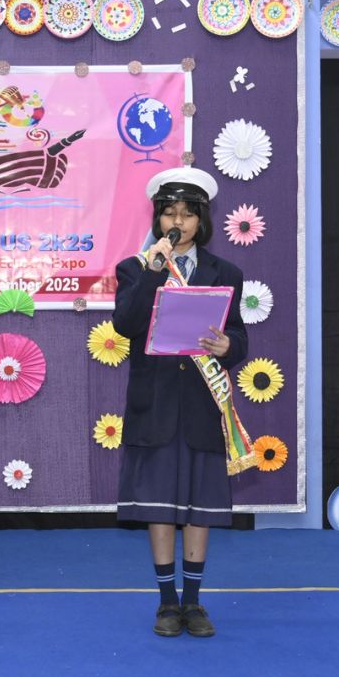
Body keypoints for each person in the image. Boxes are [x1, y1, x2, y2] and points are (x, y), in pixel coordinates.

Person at [111, 167, 247, 638]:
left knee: (199, 506)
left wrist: (229, 346)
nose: (178, 222)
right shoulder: (134, 269)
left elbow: (237, 334)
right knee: (160, 506)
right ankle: (167, 602)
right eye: (169, 213)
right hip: (156, 404)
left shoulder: (226, 273)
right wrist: (153, 271)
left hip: (202, 404)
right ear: (158, 219)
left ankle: (194, 602)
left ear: (201, 221)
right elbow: (126, 324)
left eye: (188, 215)